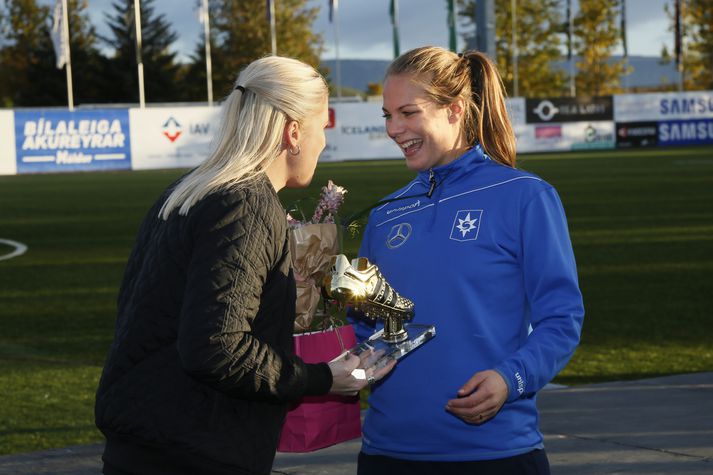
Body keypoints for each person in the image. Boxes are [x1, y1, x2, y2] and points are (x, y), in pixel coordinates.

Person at [94, 55, 393, 475]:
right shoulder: (245, 204)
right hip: (193, 451)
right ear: (293, 132)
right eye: (322, 128)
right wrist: (322, 378)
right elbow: (216, 347)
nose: (324, 142)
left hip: (151, 440)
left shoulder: (187, 191)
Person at [350, 46, 585, 474]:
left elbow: (562, 318)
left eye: (408, 112)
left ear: (455, 110)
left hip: (495, 454)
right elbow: (363, 324)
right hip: (388, 453)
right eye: (387, 115)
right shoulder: (385, 214)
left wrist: (509, 378)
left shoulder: (526, 197)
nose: (394, 128)